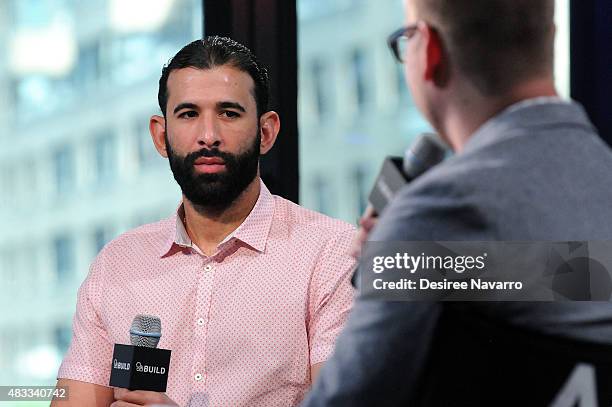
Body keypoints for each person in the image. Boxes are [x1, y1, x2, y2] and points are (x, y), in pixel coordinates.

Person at [302, 0, 612, 405]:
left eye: (405, 38)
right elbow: (585, 270)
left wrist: (399, 265)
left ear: (430, 51)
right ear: (549, 38)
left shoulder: (436, 217)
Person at [52, 36, 356, 407]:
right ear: (161, 136)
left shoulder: (331, 253)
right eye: (188, 114)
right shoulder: (118, 264)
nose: (208, 136)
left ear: (266, 132)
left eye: (229, 113)